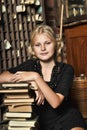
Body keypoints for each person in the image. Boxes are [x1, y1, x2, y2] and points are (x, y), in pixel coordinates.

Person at [0, 25, 87, 130]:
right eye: (37, 45)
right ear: (33, 49)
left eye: (47, 43)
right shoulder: (30, 65)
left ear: (56, 44)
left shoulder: (66, 69)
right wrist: (31, 83)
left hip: (67, 118)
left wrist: (36, 77)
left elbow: (55, 103)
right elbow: (2, 77)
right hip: (40, 122)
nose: (43, 48)